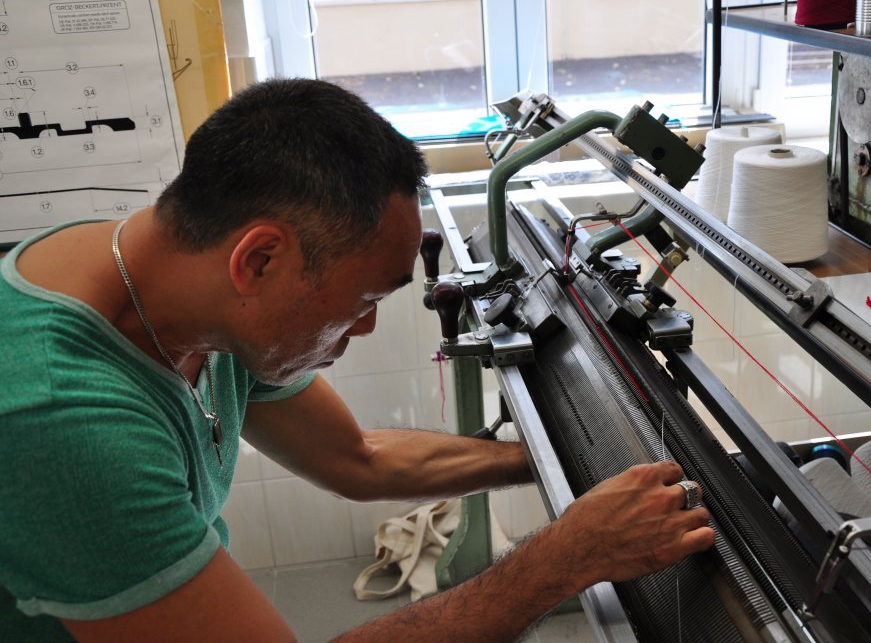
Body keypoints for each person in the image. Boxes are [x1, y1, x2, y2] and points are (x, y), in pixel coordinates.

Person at [0, 78, 714, 641]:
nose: (366, 327)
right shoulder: (60, 418)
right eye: (363, 298)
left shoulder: (185, 284)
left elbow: (360, 459)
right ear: (260, 260)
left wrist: (562, 460)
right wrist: (567, 558)